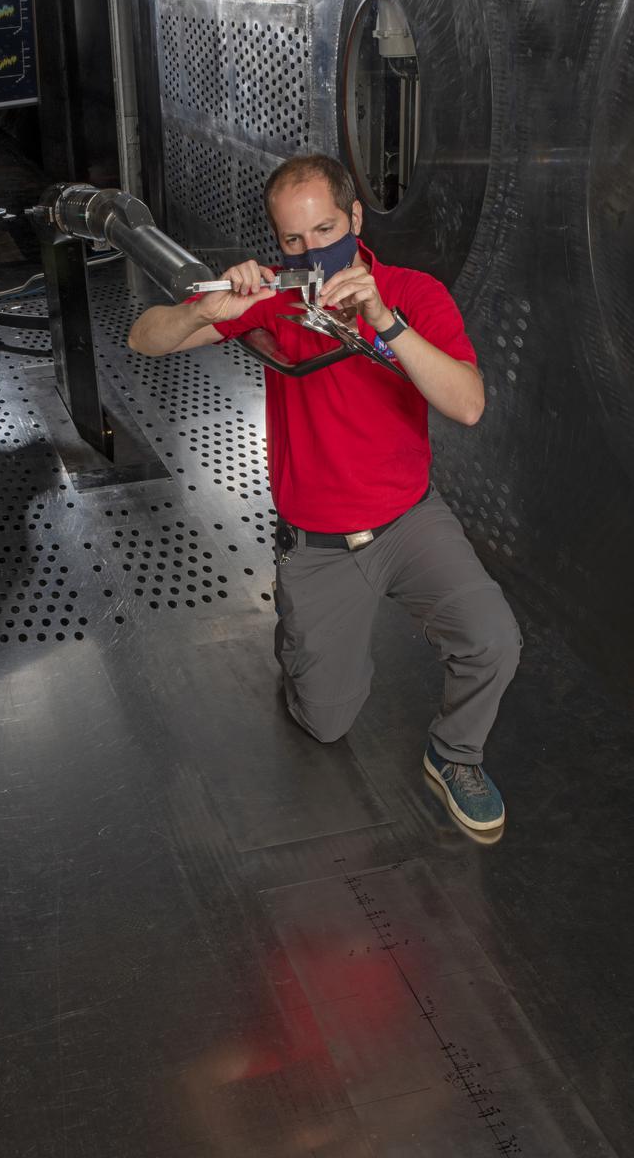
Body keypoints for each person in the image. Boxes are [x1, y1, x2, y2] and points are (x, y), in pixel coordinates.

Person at [127, 154, 521, 832]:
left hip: (410, 522)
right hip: (321, 544)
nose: (313, 250)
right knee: (326, 722)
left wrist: (384, 321)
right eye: (294, 240)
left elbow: (468, 404)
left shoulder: (414, 293)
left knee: (493, 641)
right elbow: (143, 339)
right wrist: (207, 313)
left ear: (357, 218)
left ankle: (454, 754)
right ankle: (300, 641)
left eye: (327, 229)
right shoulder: (274, 299)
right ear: (278, 243)